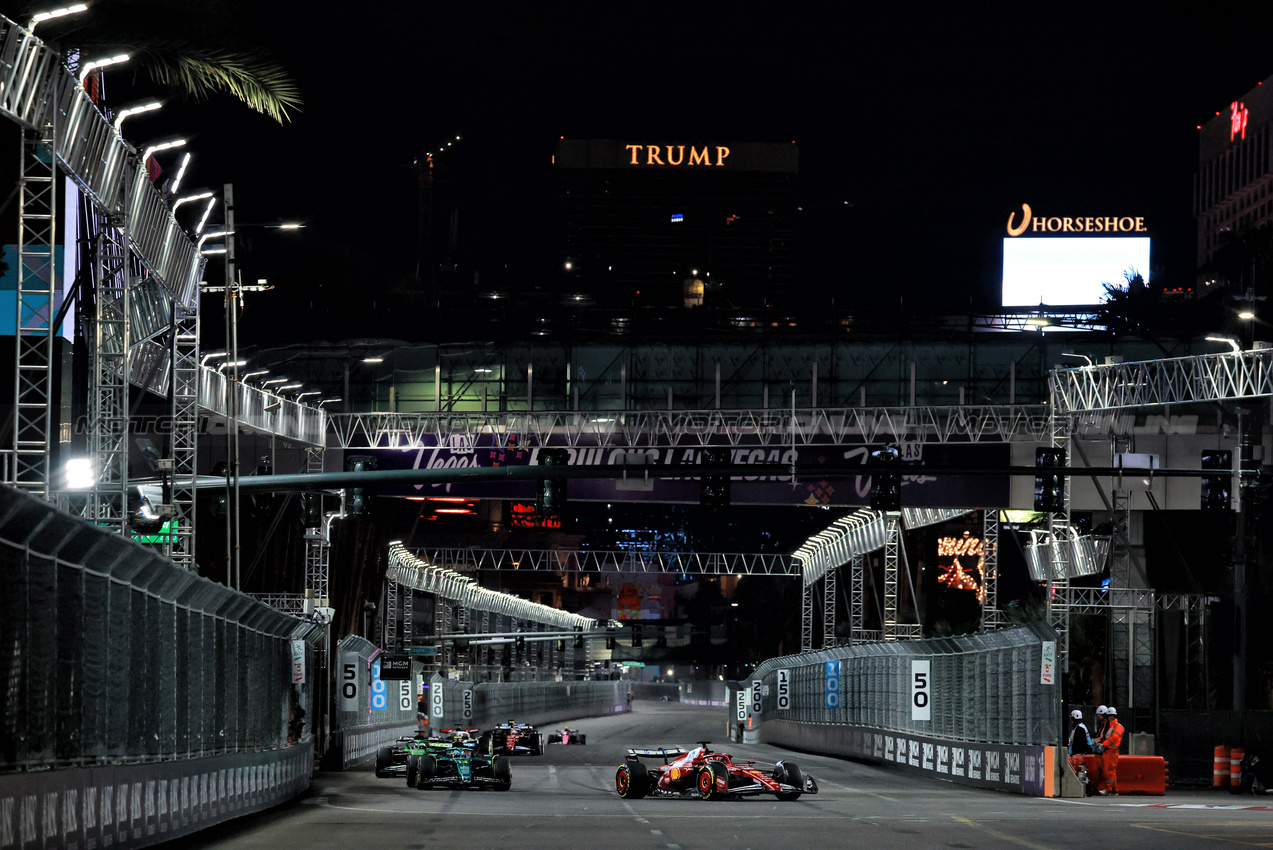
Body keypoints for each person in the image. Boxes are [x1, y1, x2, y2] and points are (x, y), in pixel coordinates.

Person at [1095, 705, 1124, 796]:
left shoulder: (1117, 726)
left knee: (1109, 771)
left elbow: (1114, 738)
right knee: (1111, 771)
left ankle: (1109, 789)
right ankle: (1114, 790)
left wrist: (1103, 744)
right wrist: (1099, 743)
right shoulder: (1109, 726)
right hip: (1108, 751)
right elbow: (1103, 736)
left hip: (1112, 751)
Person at [1067, 709, 1094, 794]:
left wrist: (1075, 753)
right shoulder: (1079, 727)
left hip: (1078, 754)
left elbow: (1079, 743)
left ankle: (1075, 787)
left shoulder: (1079, 729)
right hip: (1077, 753)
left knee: (1074, 769)